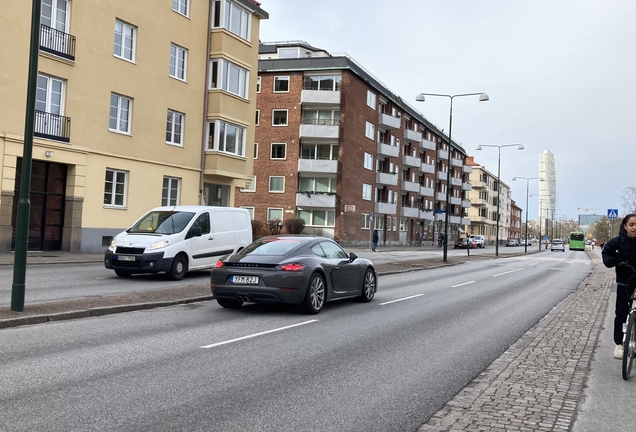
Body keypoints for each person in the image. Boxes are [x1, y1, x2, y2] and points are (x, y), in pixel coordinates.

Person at [602, 214, 636, 359]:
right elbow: (606, 254)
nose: (635, 228)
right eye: (631, 225)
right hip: (625, 280)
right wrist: (615, 261)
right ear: (625, 226)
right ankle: (620, 345)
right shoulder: (618, 241)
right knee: (621, 312)